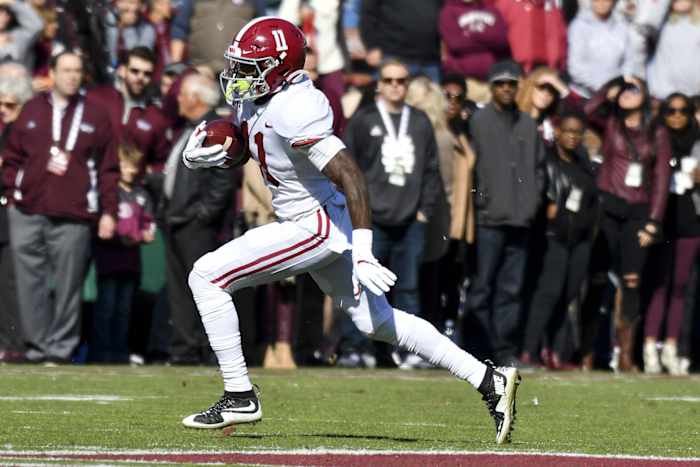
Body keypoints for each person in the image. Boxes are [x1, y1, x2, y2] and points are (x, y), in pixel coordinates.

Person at [178, 17, 521, 444]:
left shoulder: (296, 105)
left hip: (314, 224)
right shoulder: (263, 99)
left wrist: (363, 249)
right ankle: (488, 379)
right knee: (379, 322)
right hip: (311, 220)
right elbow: (261, 147)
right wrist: (221, 153)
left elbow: (351, 176)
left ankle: (239, 395)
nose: (241, 77)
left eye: (252, 67)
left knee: (207, 276)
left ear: (280, 68)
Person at [1, 51, 119, 364]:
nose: (72, 76)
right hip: (27, 209)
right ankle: (36, 347)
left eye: (77, 71)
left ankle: (60, 350)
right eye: (66, 70)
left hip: (74, 213)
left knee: (69, 287)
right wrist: (13, 193)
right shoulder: (31, 110)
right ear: (52, 72)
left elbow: (108, 167)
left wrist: (108, 211)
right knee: (29, 284)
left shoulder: (96, 114)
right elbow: (12, 157)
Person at [343, 59, 444, 368]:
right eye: (389, 80)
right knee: (360, 284)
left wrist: (424, 212)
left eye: (401, 80)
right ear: (379, 83)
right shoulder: (363, 119)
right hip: (370, 221)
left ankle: (410, 350)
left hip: (410, 219)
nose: (395, 86)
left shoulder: (420, 121)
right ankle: (356, 348)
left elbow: (431, 169)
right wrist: (354, 212)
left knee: (409, 287)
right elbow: (348, 168)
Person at [584, 76, 672, 372]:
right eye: (624, 90)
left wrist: (654, 222)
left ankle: (625, 354)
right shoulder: (610, 123)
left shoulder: (657, 131)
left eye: (634, 89)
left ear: (645, 96)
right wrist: (614, 82)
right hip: (608, 207)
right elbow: (587, 110)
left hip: (638, 211)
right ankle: (586, 351)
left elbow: (661, 178)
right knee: (596, 277)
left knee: (631, 282)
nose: (626, 93)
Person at [467, 59, 546, 367]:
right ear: (491, 87)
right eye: (500, 84)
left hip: (520, 219)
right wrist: (480, 203)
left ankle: (504, 350)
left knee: (511, 291)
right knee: (482, 286)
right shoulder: (478, 121)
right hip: (488, 219)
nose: (506, 89)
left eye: (511, 84)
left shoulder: (528, 123)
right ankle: (476, 348)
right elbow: (470, 170)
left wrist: (532, 202)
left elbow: (539, 170)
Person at [159, 72, 236, 365]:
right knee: (179, 290)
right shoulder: (189, 128)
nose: (177, 98)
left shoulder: (214, 130)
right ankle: (184, 348)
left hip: (196, 224)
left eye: (182, 93)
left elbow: (222, 178)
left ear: (195, 98)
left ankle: (203, 348)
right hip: (178, 219)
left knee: (200, 289)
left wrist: (202, 214)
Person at [520, 111, 599, 368]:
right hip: (554, 238)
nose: (573, 137)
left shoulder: (584, 164)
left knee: (568, 295)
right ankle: (529, 351)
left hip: (581, 240)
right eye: (568, 131)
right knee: (548, 293)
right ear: (558, 133)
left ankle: (555, 352)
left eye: (578, 132)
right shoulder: (548, 162)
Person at [643, 93, 700, 375]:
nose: (676, 115)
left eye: (683, 110)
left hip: (690, 220)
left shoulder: (697, 141)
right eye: (671, 110)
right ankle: (649, 348)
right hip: (662, 220)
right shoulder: (656, 139)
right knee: (659, 284)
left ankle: (671, 348)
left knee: (679, 287)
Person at [91, 143, 155, 363]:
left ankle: (119, 351)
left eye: (134, 166)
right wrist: (123, 235)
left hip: (131, 263)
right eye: (126, 166)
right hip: (109, 261)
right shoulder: (110, 194)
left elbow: (148, 222)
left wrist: (146, 233)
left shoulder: (141, 195)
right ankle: (100, 351)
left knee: (124, 310)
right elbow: (104, 227)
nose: (131, 171)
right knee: (106, 307)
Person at [0, 62, 32, 363]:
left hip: (16, 211)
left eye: (9, 104)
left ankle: (15, 342)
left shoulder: (23, 131)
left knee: (12, 284)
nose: (3, 109)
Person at [567, 0, 633, 99]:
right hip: (584, 96)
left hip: (615, 93)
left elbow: (629, 61)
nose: (601, 3)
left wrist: (620, 86)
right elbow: (575, 68)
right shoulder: (579, 26)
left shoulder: (622, 26)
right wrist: (604, 88)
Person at [0, 0, 44, 70]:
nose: (4, 17)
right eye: (0, 12)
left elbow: (37, 26)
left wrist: (10, 2)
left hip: (16, 79)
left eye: (7, 13)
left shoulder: (18, 36)